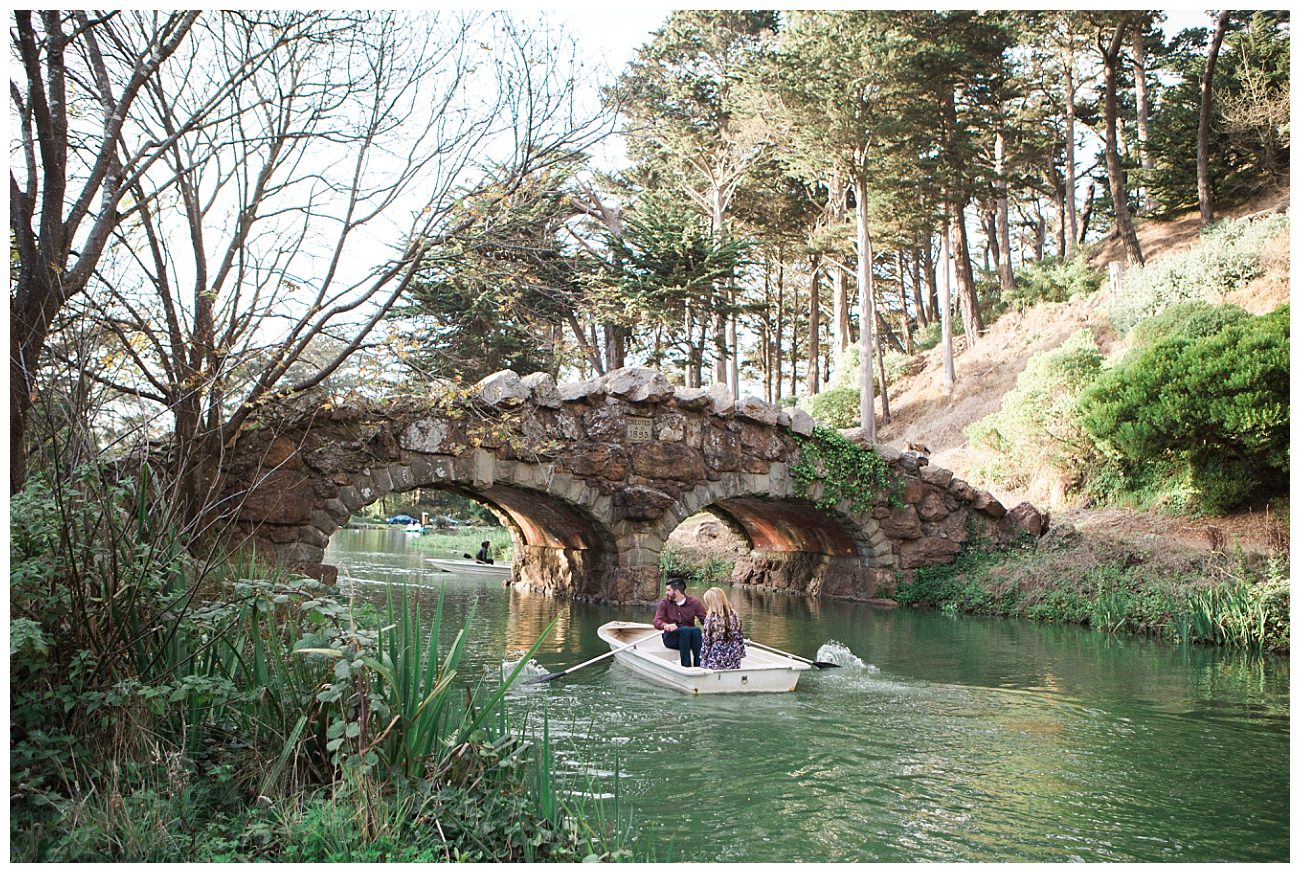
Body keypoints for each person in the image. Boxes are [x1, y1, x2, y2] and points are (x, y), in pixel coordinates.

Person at [652, 577, 706, 667]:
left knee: (696, 630)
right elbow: (656, 621)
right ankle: (686, 666)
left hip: (690, 640)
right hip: (671, 639)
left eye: (668, 590)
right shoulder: (665, 602)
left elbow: (705, 621)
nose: (666, 593)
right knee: (685, 630)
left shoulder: (694, 602)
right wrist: (665, 625)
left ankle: (700, 664)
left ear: (676, 591)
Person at [700, 586, 746, 670]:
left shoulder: (710, 619)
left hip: (718, 654)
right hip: (734, 653)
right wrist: (741, 654)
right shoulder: (735, 616)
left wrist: (703, 661)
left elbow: (706, 642)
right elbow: (740, 638)